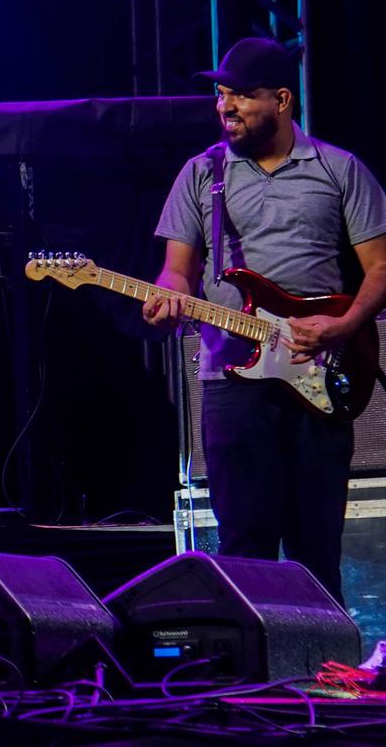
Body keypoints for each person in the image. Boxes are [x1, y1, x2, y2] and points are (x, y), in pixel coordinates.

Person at [144, 37, 386, 602]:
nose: (225, 106)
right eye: (221, 94)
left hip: (319, 369)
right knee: (243, 545)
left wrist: (344, 325)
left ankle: (323, 654)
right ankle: (252, 656)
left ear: (281, 99)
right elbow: (176, 271)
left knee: (315, 547)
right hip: (231, 382)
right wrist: (166, 296)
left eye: (241, 95)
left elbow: (380, 268)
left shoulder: (339, 169)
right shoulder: (201, 174)